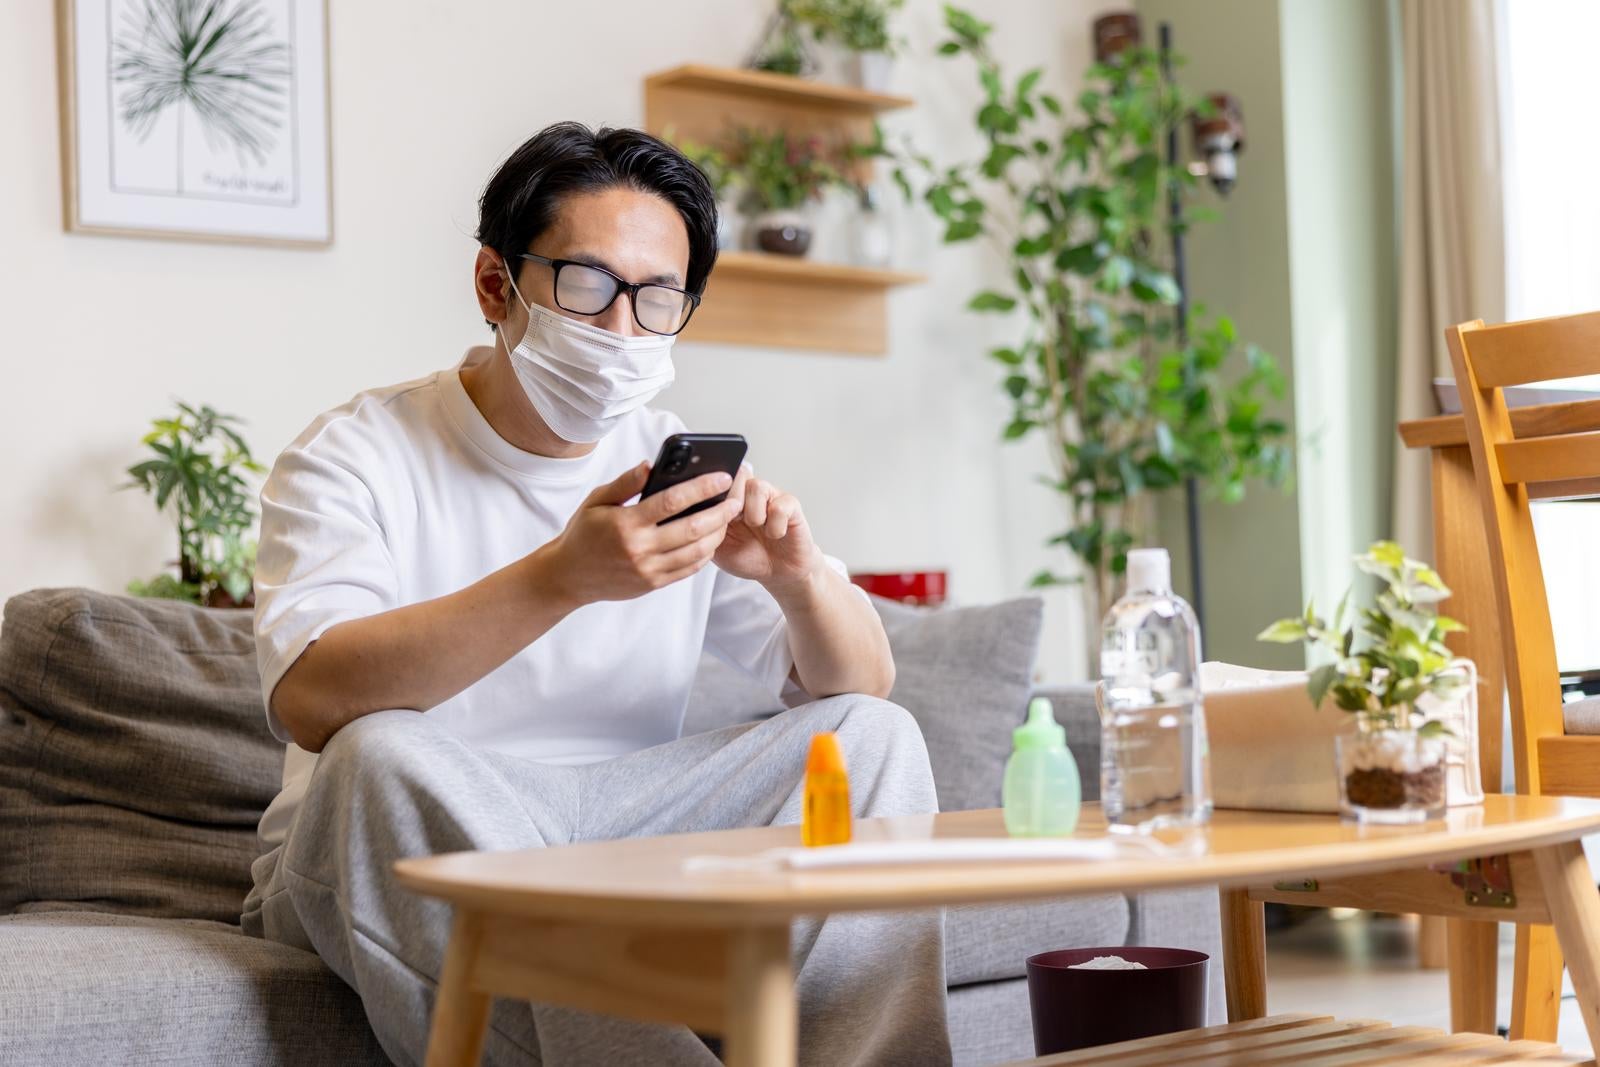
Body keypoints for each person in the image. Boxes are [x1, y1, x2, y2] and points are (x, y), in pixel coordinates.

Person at [240, 122, 951, 1066]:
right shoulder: (355, 453)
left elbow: (865, 681)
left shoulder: (666, 458)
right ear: (498, 284)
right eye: (587, 286)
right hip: (421, 824)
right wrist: (561, 579)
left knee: (871, 739)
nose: (623, 331)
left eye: (659, 298)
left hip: (620, 832)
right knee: (378, 751)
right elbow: (312, 698)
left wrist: (797, 578)